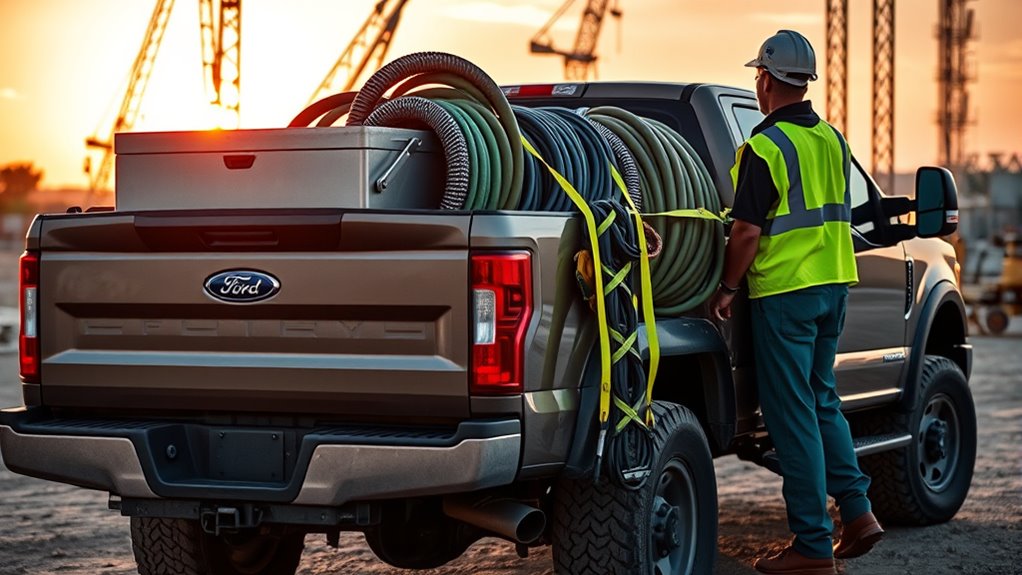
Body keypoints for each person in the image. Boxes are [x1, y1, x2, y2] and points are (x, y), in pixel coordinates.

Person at [709, 30, 885, 575]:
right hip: (833, 285)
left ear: (764, 79)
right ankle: (857, 513)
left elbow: (744, 233)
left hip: (784, 293)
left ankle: (811, 546)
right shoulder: (833, 140)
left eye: (757, 76)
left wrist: (728, 288)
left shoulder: (763, 147)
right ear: (802, 81)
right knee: (821, 401)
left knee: (791, 418)